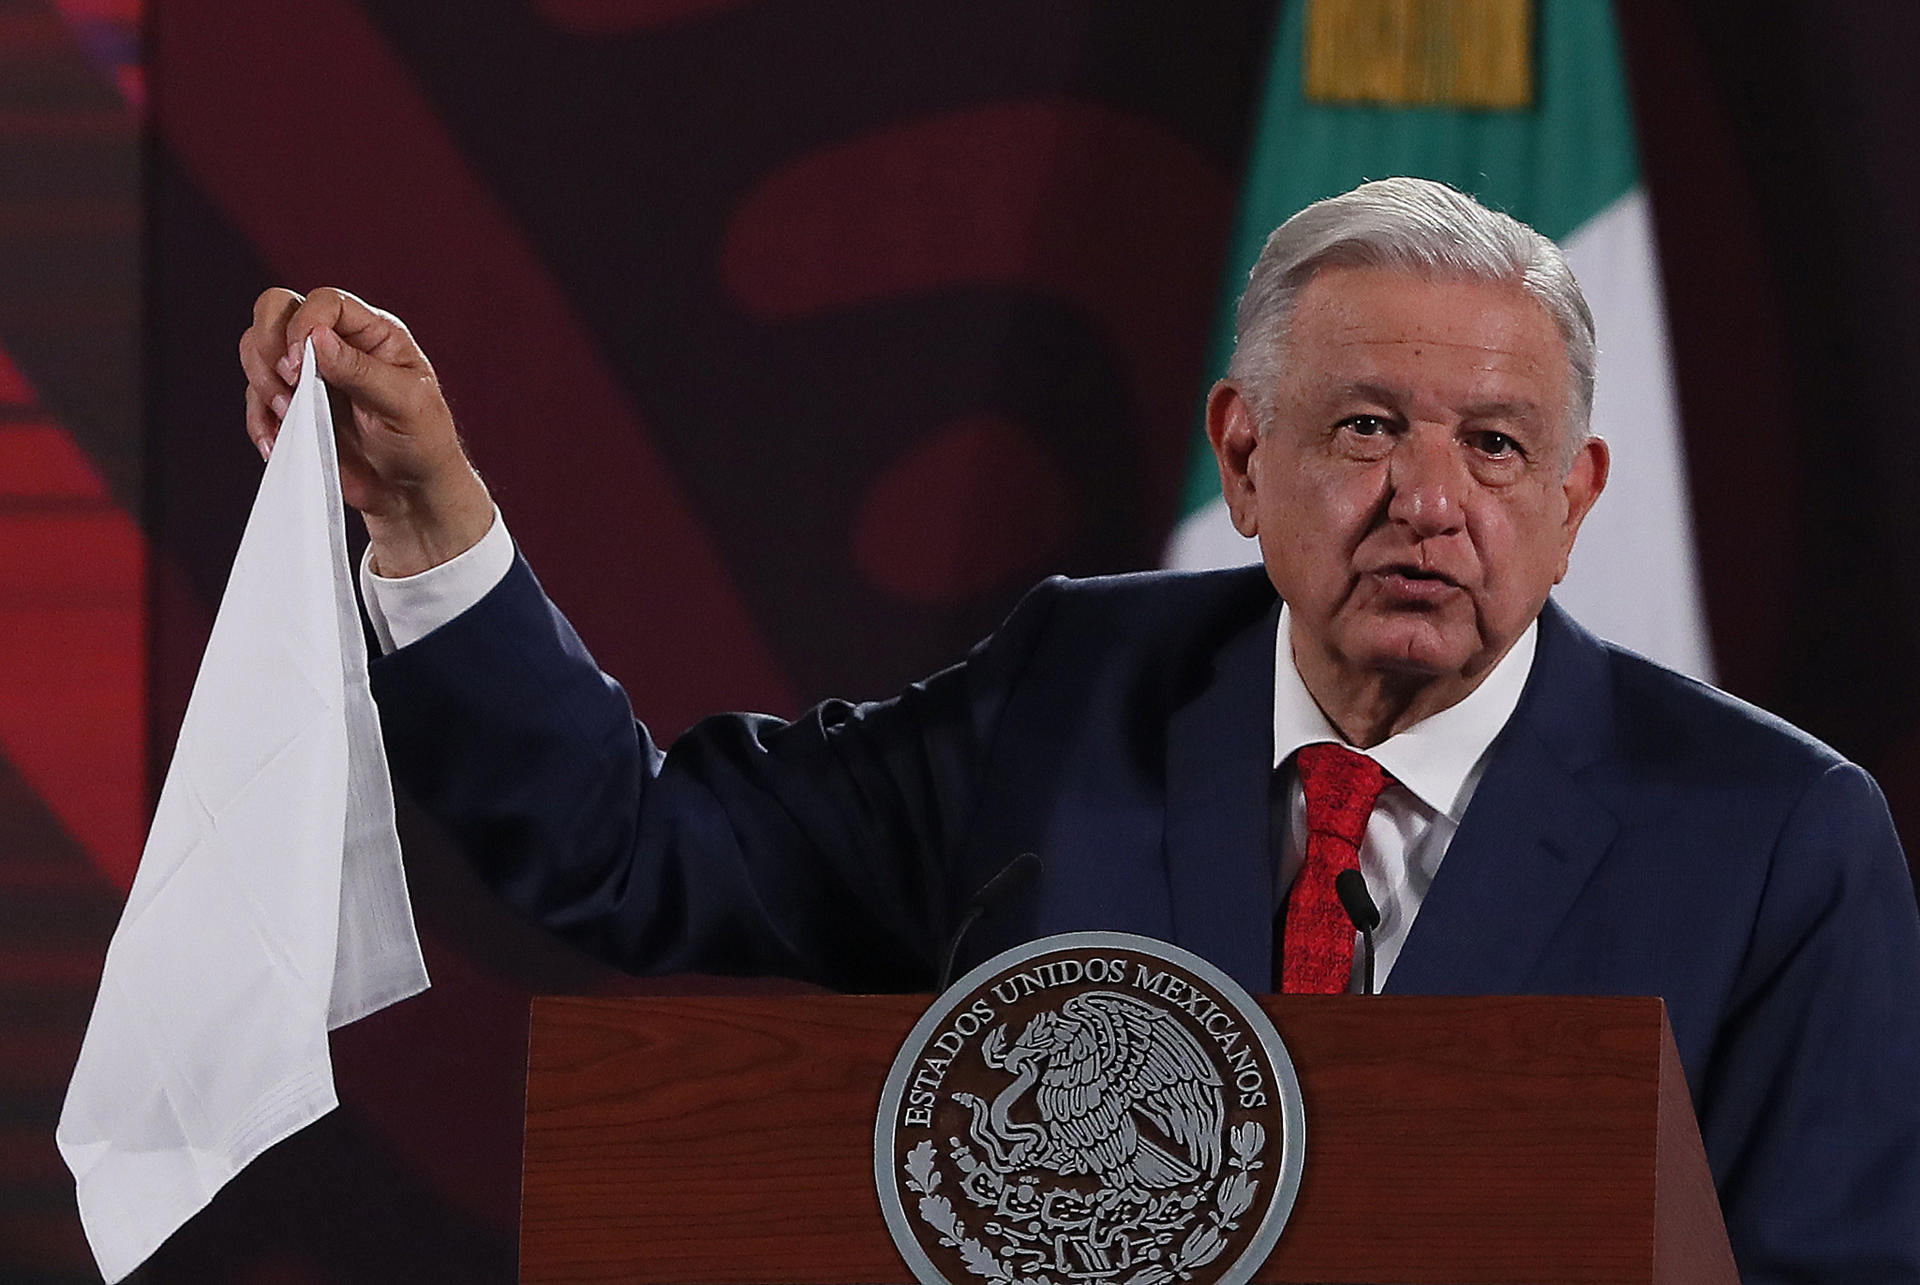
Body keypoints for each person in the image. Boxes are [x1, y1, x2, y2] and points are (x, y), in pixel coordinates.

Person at [238, 178, 1920, 1282]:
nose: (1427, 498)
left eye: (1495, 446)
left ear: (1575, 501)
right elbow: (637, 852)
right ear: (1245, 462)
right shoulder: (1071, 693)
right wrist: (430, 518)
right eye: (1364, 425)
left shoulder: (1779, 839)